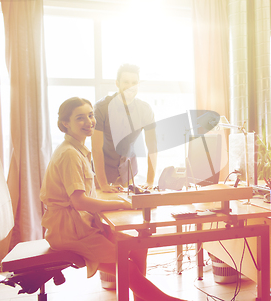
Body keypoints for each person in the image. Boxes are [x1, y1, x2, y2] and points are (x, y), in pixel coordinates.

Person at [40, 97, 184, 301]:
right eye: (80, 118)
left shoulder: (77, 151)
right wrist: (120, 203)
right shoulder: (69, 154)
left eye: (90, 115)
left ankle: (143, 297)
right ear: (65, 123)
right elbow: (79, 202)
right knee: (128, 267)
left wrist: (108, 191)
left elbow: (81, 194)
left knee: (138, 246)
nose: (89, 122)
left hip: (79, 226)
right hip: (69, 232)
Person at [92, 64, 157, 193]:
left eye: (134, 82)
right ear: (117, 83)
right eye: (126, 82)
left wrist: (150, 181)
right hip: (102, 175)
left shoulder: (145, 110)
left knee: (127, 211)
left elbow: (152, 147)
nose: (130, 86)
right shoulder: (101, 108)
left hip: (128, 173)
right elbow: (96, 148)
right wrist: (104, 184)